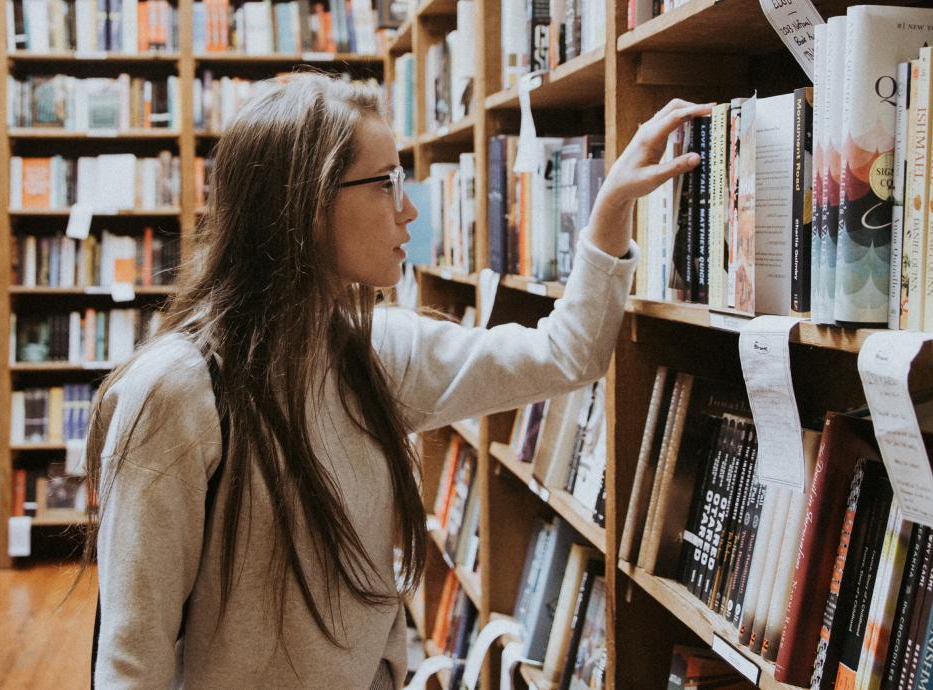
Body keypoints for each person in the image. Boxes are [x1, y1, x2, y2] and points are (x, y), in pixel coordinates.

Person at [85, 72, 710, 689]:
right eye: (386, 184)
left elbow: (566, 355)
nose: (409, 209)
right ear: (305, 205)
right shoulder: (176, 391)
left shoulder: (377, 351)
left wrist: (609, 213)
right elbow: (132, 657)